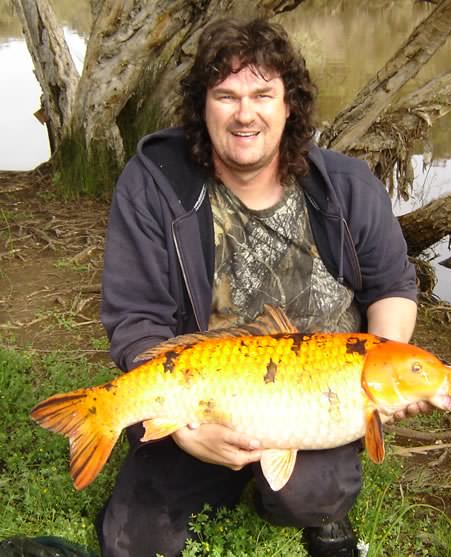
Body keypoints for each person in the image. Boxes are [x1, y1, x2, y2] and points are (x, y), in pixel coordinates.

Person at [96, 17, 422, 557]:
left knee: (312, 494)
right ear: (202, 105)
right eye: (226, 95)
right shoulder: (152, 183)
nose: (245, 114)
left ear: (288, 104)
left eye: (263, 94)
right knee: (132, 543)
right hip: (204, 396)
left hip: (315, 396)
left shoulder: (347, 186)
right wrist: (185, 431)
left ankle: (311, 509)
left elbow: (392, 284)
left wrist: (386, 369)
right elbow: (135, 319)